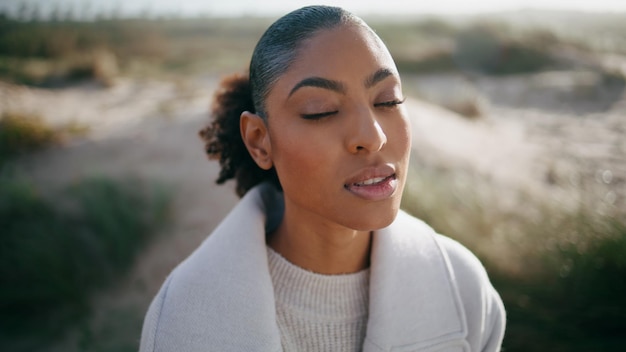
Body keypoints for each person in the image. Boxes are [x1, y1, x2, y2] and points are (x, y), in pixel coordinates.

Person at [140, 5, 505, 352]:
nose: (372, 136)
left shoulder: (464, 289)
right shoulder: (180, 320)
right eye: (322, 111)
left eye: (387, 101)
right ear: (259, 141)